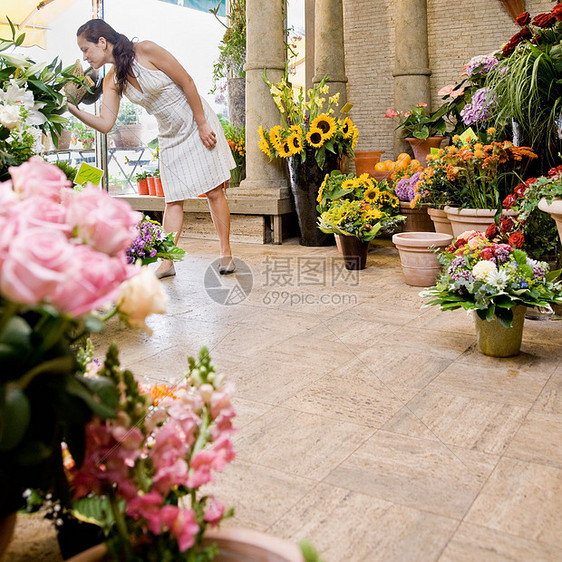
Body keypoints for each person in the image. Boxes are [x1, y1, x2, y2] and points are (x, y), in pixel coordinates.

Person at [68, 19, 236, 277]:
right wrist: (72, 108)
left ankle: (225, 252)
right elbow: (105, 123)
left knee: (213, 191)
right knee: (173, 198)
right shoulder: (112, 80)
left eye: (85, 49)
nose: (85, 56)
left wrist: (202, 123)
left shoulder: (145, 50)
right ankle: (168, 261)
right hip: (169, 134)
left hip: (195, 121)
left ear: (102, 42)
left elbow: (187, 81)